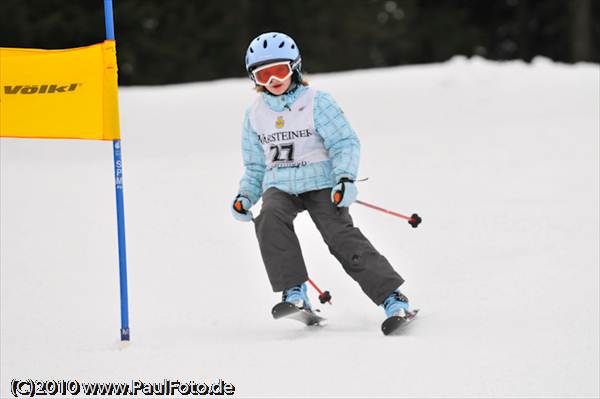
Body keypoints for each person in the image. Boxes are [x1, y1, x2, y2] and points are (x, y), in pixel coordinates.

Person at [231, 32, 412, 321]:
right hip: (280, 185)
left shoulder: (317, 101)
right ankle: (294, 292)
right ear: (254, 80)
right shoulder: (255, 114)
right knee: (270, 216)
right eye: (264, 75)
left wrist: (344, 179)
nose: (273, 80)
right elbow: (255, 165)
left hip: (322, 184)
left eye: (279, 70)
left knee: (340, 236)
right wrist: (245, 196)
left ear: (295, 67)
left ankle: (392, 297)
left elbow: (344, 143)